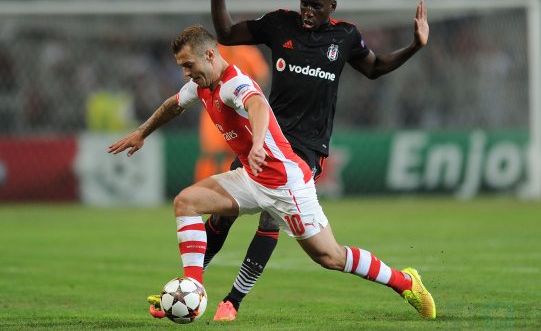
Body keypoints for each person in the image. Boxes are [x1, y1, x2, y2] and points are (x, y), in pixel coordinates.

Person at [108, 25, 436, 321]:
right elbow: (173, 105)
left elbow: (258, 106)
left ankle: (405, 282)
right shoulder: (202, 84)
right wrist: (142, 132)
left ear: (210, 55)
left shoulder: (233, 82)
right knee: (186, 203)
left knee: (330, 257)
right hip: (251, 179)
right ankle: (190, 290)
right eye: (182, 66)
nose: (185, 73)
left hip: (285, 184)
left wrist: (258, 143)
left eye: (188, 65)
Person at [194, 0, 431, 321]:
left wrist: (415, 47)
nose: (307, 11)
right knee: (222, 215)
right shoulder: (279, 24)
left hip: (305, 149)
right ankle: (190, 287)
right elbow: (224, 32)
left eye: (315, 6)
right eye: (304, 3)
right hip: (267, 136)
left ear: (331, 8)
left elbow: (375, 68)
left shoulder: (346, 37)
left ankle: (232, 302)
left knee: (274, 219)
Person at [194, 43, 269, 182]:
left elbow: (262, 76)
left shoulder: (248, 53)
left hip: (238, 111)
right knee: (210, 153)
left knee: (233, 151)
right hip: (214, 108)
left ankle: (230, 188)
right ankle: (203, 187)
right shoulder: (213, 53)